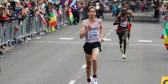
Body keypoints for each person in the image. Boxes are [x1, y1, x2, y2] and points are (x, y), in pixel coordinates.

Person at [80, 6, 104, 84]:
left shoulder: (99, 21)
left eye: (94, 11)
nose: (92, 13)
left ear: (95, 13)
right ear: (88, 13)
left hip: (96, 43)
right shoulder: (84, 22)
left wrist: (102, 36)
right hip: (88, 44)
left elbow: (101, 27)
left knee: (94, 59)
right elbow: (81, 36)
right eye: (91, 11)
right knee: (89, 65)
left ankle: (94, 77)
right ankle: (88, 80)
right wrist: (88, 29)